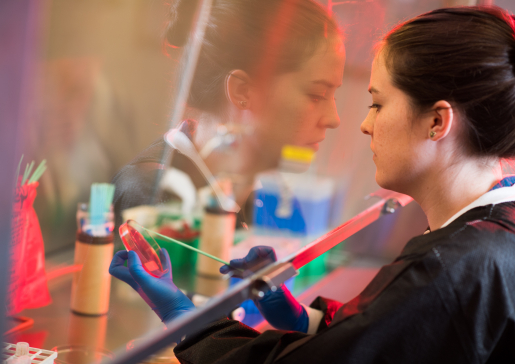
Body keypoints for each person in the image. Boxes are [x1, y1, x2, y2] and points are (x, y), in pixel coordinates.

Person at [112, 4, 515, 364]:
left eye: (377, 104)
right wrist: (307, 319)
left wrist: (188, 321)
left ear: (437, 122)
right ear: (241, 92)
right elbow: (381, 338)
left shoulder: (450, 267)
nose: (355, 122)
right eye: (317, 94)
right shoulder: (487, 236)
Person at [111, 0, 345, 229]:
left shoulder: (266, 197)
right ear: (242, 91)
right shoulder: (154, 193)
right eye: (316, 95)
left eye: (334, 95)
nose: (333, 119)